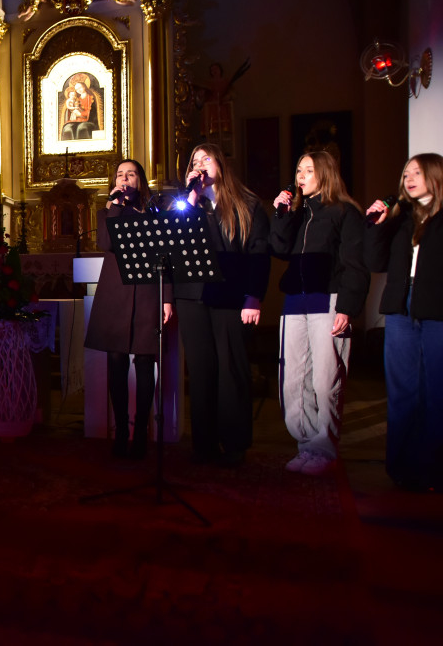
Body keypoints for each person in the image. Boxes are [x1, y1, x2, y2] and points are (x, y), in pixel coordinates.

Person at [270, 151, 368, 476]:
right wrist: (282, 215)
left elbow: (355, 263)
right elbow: (279, 248)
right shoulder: (297, 212)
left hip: (329, 299)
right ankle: (306, 444)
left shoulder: (345, 212)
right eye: (299, 170)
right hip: (295, 301)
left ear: (325, 173)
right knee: (293, 380)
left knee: (325, 380)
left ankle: (324, 448)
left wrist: (347, 308)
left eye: (309, 170)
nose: (301, 176)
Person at [174, 143, 270, 466]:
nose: (199, 165)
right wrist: (191, 199)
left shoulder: (247, 204)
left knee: (231, 369)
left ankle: (235, 443)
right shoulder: (187, 204)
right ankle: (204, 444)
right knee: (201, 371)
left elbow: (259, 254)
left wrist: (254, 295)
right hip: (193, 296)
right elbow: (174, 249)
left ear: (221, 163)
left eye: (206, 158)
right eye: (194, 161)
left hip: (230, 295)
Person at [365, 153, 443, 492]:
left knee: (436, 391)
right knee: (402, 391)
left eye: (417, 173)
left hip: (436, 309)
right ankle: (402, 468)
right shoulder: (400, 218)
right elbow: (375, 261)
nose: (408, 178)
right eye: (406, 173)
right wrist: (379, 225)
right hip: (399, 308)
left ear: (436, 176)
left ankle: (435, 470)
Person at [84, 159, 172, 459]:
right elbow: (106, 243)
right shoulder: (107, 212)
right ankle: (121, 430)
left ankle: (141, 433)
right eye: (120, 175)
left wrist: (167, 297)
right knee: (116, 361)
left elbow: (166, 256)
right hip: (115, 294)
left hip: (148, 294)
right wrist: (115, 206)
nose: (125, 179)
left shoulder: (156, 212)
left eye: (131, 174)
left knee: (146, 361)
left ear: (140, 180)